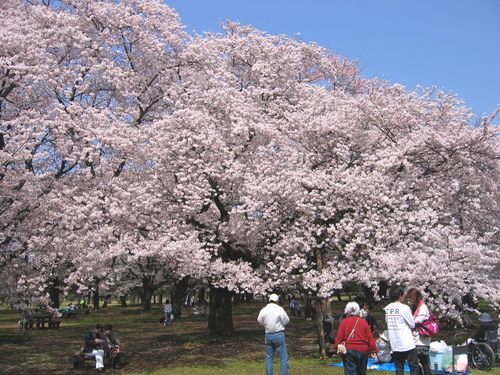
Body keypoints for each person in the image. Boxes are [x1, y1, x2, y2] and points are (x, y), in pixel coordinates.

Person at [334, 302, 377, 375]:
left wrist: (336, 347)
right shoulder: (363, 322)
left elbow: (339, 337)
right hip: (363, 350)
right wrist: (374, 349)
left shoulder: (344, 322)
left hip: (349, 350)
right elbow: (370, 337)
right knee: (361, 372)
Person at [384, 286, 419, 375]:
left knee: (399, 368)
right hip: (407, 344)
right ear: (400, 295)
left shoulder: (387, 309)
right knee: (414, 367)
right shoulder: (404, 308)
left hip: (395, 344)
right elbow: (412, 324)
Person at [257, 293, 290, 375]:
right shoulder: (279, 309)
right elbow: (286, 320)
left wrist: (265, 324)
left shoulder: (264, 309)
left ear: (269, 300)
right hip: (279, 334)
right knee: (283, 357)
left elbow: (259, 320)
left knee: (269, 357)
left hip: (268, 334)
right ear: (277, 300)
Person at [406, 288, 431, 375]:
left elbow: (418, 320)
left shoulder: (423, 307)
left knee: (422, 362)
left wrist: (409, 319)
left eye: (410, 298)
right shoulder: (416, 307)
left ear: (415, 297)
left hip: (421, 339)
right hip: (416, 338)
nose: (409, 300)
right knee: (417, 362)